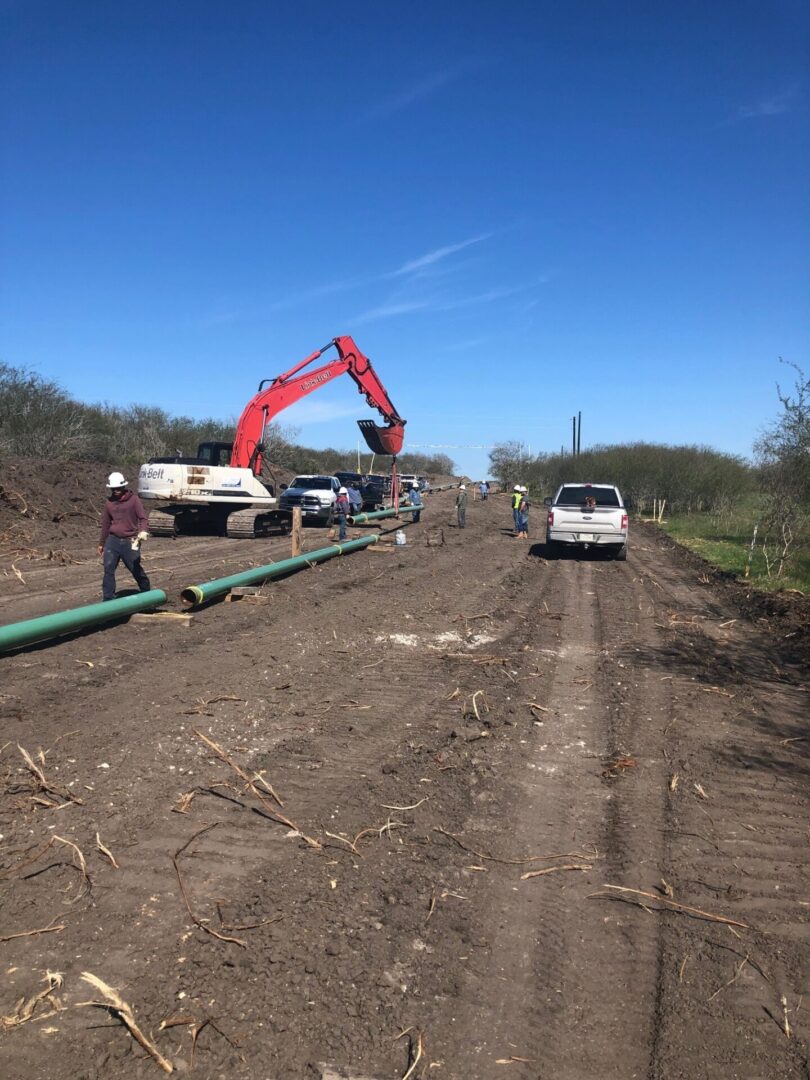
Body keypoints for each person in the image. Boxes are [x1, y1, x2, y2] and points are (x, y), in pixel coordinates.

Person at [98, 472, 152, 601]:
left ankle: (147, 593)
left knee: (134, 568)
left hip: (130, 540)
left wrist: (143, 531)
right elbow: (106, 524)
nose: (116, 491)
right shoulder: (109, 503)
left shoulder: (134, 500)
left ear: (123, 487)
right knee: (108, 568)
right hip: (113, 540)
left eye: (118, 488)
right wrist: (102, 543)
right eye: (113, 488)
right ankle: (108, 599)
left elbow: (143, 518)